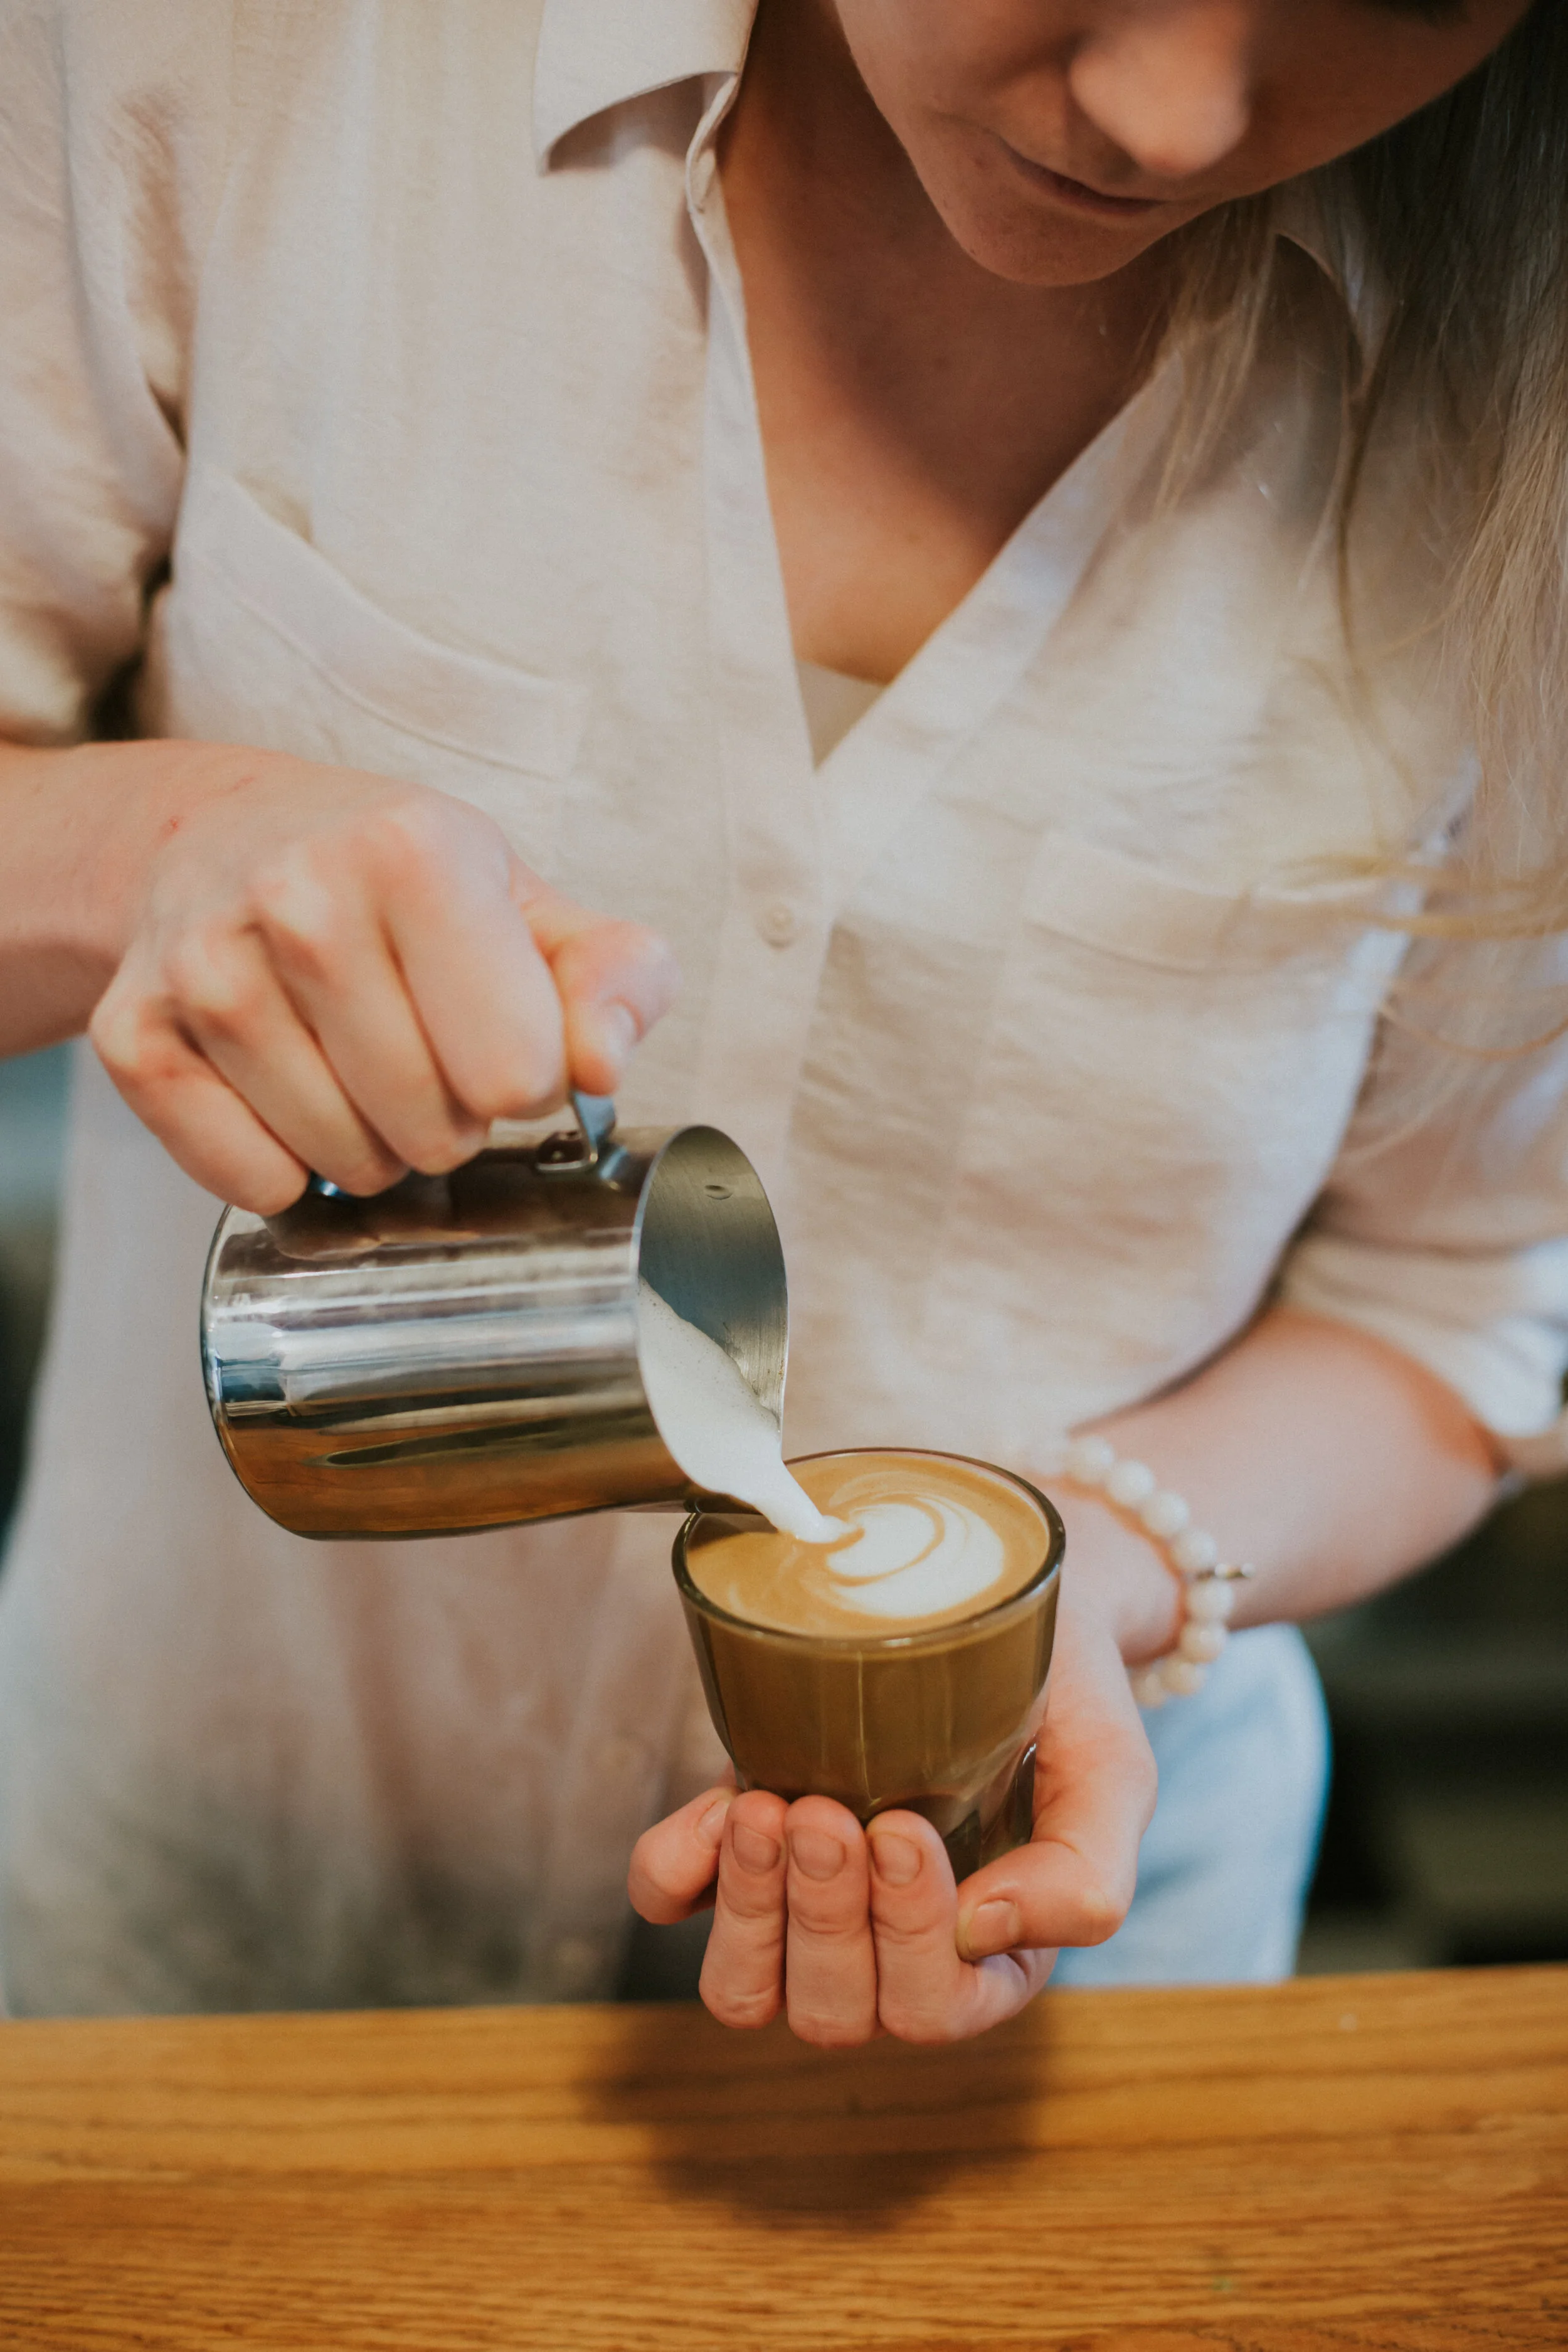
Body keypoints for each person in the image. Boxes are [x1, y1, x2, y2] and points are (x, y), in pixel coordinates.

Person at [0, 0, 1562, 2041]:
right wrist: (149, 850)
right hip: (201, 1944)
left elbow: (1463, 1305)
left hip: (1068, 1987)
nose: (1165, 111)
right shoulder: (244, 52)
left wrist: (1103, 1568)